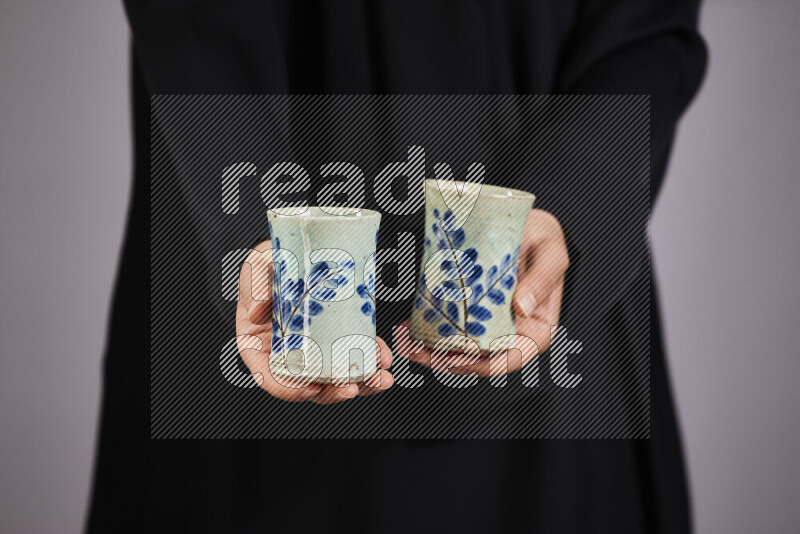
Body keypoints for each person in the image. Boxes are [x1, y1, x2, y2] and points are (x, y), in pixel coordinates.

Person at [88, 1, 707, 532]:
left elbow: (645, 29)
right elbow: (189, 18)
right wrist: (253, 228)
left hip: (550, 306)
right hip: (244, 309)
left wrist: (570, 204)